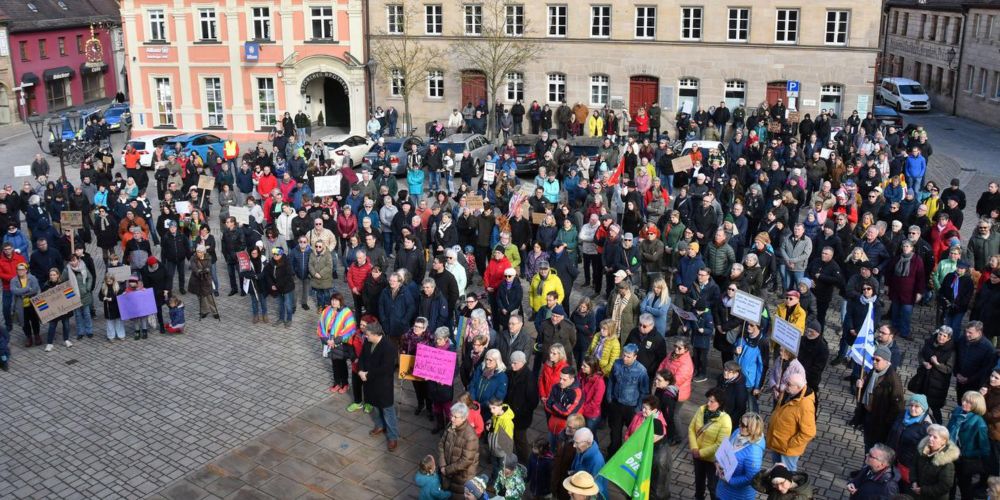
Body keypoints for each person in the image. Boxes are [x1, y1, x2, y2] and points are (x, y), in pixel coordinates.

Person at [359, 322, 399, 451]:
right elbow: (362, 358)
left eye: (368, 335)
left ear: (376, 334)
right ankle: (380, 425)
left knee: (388, 410)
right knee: (374, 406)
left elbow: (386, 369)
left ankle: (392, 437)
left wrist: (368, 374)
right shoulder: (368, 342)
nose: (366, 337)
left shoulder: (389, 347)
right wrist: (360, 370)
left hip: (382, 384)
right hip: (369, 382)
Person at [766, 373, 816, 472]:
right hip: (777, 443)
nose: (785, 386)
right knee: (776, 471)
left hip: (787, 449)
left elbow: (809, 432)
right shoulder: (790, 392)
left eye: (789, 384)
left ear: (798, 387)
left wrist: (790, 444)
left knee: (788, 474)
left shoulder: (805, 406)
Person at [605, 343, 649, 455]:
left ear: (635, 357)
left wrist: (638, 409)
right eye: (624, 355)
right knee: (615, 434)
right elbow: (611, 380)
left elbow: (644, 392)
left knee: (632, 435)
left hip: (631, 407)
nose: (625, 358)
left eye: (628, 356)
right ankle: (612, 456)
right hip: (616, 405)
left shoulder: (641, 371)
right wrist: (609, 397)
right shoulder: (617, 364)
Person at [689, 388, 733, 500]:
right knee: (699, 482)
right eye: (708, 400)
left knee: (713, 487)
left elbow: (720, 444)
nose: (708, 403)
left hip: (713, 460)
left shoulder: (725, 420)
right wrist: (694, 448)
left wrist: (700, 453)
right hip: (697, 455)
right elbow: (691, 429)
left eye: (712, 401)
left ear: (720, 403)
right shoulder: (701, 410)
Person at [947, 391, 990, 499]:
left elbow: (985, 449)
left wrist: (966, 453)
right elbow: (949, 428)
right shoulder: (957, 411)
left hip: (965, 460)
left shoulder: (979, 424)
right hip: (950, 453)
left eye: (969, 402)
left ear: (976, 406)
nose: (965, 403)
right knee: (949, 482)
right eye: (964, 400)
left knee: (964, 485)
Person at [886, 394, 933, 488]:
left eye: (917, 406)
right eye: (911, 405)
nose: (912, 408)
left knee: (902, 488)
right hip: (892, 457)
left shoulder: (926, 427)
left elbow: (925, 452)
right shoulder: (902, 414)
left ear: (923, 408)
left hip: (907, 465)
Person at [716, 412, 766, 500]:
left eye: (743, 425)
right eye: (740, 422)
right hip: (723, 488)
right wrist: (718, 462)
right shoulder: (738, 432)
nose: (739, 426)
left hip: (738, 495)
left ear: (752, 429)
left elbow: (750, 478)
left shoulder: (754, 452)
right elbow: (727, 449)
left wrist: (729, 480)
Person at [910, 325, 955, 424]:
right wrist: (924, 363)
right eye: (940, 334)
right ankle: (918, 422)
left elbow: (948, 369)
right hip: (924, 378)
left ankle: (939, 425)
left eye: (944, 336)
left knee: (935, 408)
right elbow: (920, 354)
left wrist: (937, 364)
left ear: (949, 338)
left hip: (938, 384)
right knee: (920, 403)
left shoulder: (951, 351)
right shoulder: (929, 342)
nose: (941, 337)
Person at [438, 402, 480, 494]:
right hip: (447, 472)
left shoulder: (470, 437)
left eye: (455, 417)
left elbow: (466, 461)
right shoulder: (451, 425)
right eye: (451, 415)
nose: (452, 418)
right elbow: (441, 445)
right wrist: (443, 465)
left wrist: (447, 470)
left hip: (461, 477)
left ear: (464, 418)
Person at [910, 424, 958, 500]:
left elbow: (945, 486)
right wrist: (914, 481)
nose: (930, 438)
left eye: (935, 437)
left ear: (943, 441)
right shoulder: (922, 451)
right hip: (918, 495)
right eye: (929, 435)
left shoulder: (947, 461)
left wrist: (923, 490)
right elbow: (913, 466)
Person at [569, 427, 607, 498]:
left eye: (577, 443)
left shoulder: (597, 461)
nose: (574, 445)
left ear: (588, 443)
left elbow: (596, 488)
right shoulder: (581, 450)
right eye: (574, 442)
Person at [189, 244, 219, 319]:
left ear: (204, 252)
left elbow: (208, 266)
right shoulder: (193, 258)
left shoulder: (208, 257)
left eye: (200, 252)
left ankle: (215, 312)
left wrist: (206, 270)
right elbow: (193, 267)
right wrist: (198, 271)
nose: (198, 253)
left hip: (206, 279)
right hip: (196, 280)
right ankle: (204, 311)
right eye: (197, 252)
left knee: (209, 296)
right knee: (200, 297)